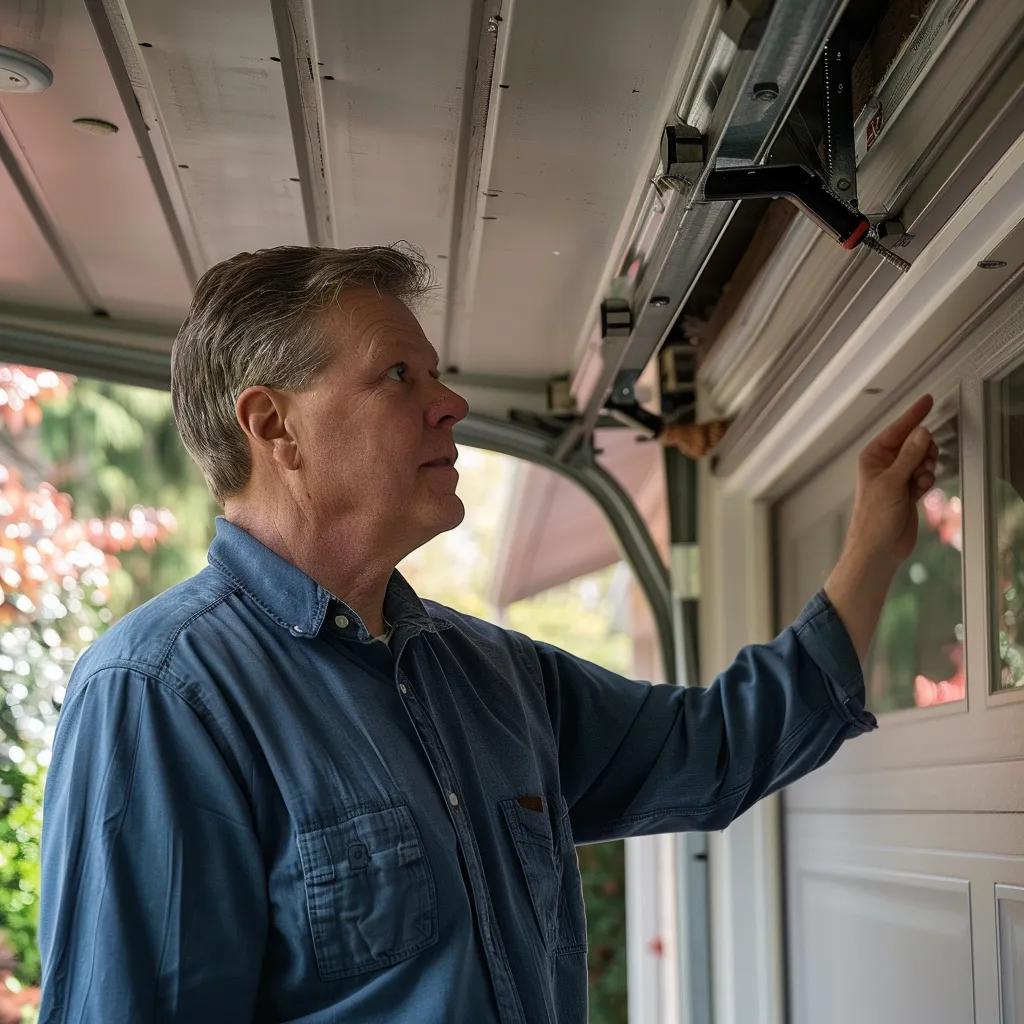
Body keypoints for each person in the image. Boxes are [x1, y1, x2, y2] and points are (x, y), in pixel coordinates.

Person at [37, 244, 940, 1024]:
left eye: (434, 374)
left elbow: (714, 748)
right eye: (401, 375)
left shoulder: (495, 677)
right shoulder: (161, 694)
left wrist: (870, 551)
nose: (452, 404)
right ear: (276, 427)